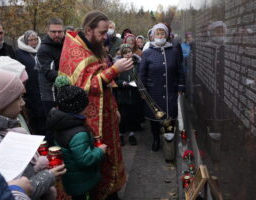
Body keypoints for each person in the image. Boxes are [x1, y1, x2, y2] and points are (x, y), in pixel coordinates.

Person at [58, 10, 134, 200]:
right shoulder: (75, 51)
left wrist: (114, 107)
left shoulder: (94, 46)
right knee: (93, 159)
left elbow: (104, 85)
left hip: (104, 113)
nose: (104, 37)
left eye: (106, 32)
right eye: (101, 32)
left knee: (109, 157)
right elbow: (83, 88)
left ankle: (109, 190)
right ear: (88, 29)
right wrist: (115, 70)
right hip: (87, 119)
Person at [0, 67, 67, 200]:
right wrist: (48, 176)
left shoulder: (6, 129)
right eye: (18, 98)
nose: (23, 103)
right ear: (0, 103)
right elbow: (11, 191)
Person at [47, 76, 107, 200]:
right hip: (82, 181)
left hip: (71, 178)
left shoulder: (60, 122)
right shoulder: (78, 133)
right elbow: (85, 159)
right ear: (80, 108)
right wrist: (100, 150)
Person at [139, 23, 185, 151]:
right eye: (157, 33)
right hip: (153, 92)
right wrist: (142, 91)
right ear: (153, 36)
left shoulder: (174, 51)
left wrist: (181, 87)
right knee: (155, 118)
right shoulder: (147, 53)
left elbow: (180, 71)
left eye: (162, 33)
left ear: (167, 35)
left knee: (169, 117)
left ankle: (168, 140)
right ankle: (156, 139)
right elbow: (141, 74)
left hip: (170, 91)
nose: (160, 35)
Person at [36, 17, 65, 146]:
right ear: (47, 32)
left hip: (63, 91)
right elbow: (50, 73)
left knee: (64, 124)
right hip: (50, 94)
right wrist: (73, 76)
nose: (57, 34)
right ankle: (52, 156)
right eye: (53, 31)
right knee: (52, 126)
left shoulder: (65, 44)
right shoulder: (43, 49)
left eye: (60, 31)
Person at [16, 30, 46, 135]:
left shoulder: (42, 49)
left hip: (43, 88)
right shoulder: (19, 53)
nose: (34, 42)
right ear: (26, 41)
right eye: (31, 40)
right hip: (30, 90)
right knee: (34, 117)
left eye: (35, 39)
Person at [114, 44, 142, 146]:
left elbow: (140, 76)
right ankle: (121, 134)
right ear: (122, 54)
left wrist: (137, 82)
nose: (127, 54)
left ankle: (131, 134)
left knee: (132, 116)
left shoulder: (137, 64)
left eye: (129, 52)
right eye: (125, 52)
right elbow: (115, 80)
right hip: (123, 95)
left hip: (134, 94)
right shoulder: (118, 65)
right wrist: (122, 83)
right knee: (123, 116)